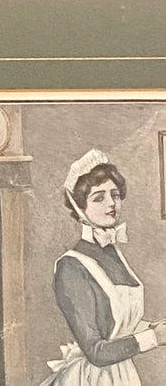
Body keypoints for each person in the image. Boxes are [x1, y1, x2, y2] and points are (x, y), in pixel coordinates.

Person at [40, 149, 166, 386]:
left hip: (122, 373)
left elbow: (117, 324)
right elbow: (96, 351)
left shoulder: (114, 253)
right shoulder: (71, 266)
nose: (111, 204)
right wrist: (153, 337)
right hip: (92, 377)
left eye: (115, 195)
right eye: (99, 198)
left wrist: (153, 327)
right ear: (80, 209)